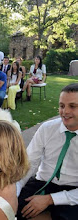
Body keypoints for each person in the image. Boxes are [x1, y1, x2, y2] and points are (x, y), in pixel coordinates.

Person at [16, 83, 78, 220]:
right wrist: (15, 191)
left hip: (72, 189)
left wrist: (50, 199)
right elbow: (29, 163)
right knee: (12, 209)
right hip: (42, 182)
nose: (65, 112)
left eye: (72, 106)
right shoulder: (47, 128)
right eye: (62, 106)